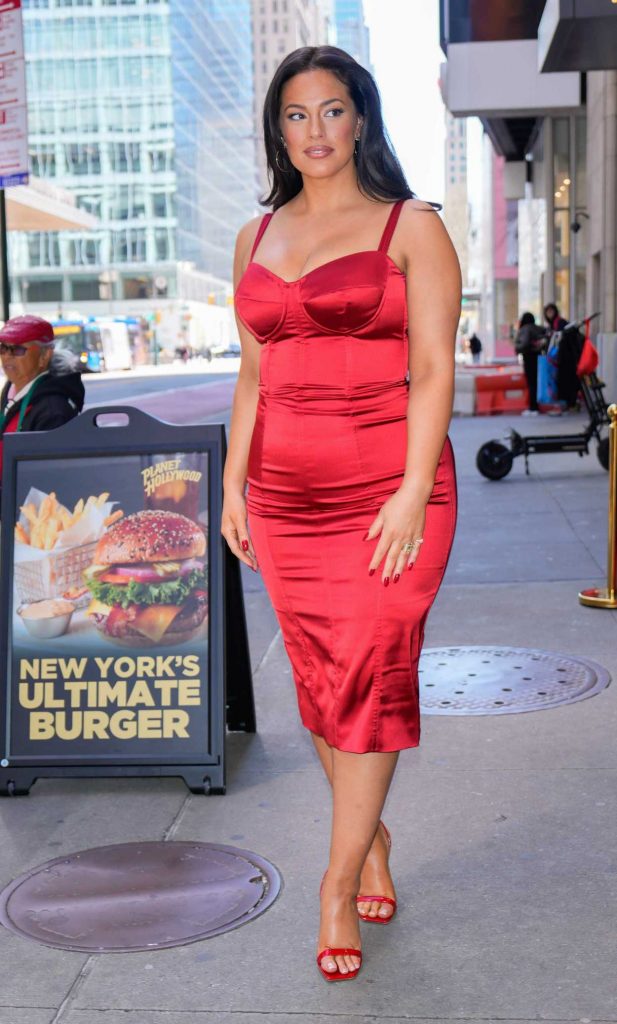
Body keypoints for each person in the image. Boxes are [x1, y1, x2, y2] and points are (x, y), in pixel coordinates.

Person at [223, 46, 459, 982]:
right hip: (284, 498)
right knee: (321, 680)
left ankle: (334, 882)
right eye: (295, 114)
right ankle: (372, 839)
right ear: (277, 132)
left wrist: (409, 491)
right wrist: (233, 486)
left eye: (330, 110)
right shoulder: (254, 235)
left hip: (387, 492)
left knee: (368, 673)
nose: (314, 129)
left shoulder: (412, 226)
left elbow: (433, 370)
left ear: (360, 119)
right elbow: (252, 375)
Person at [0, 315, 85, 502]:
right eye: (3, 348)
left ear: (44, 355)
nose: (7, 356)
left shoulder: (54, 411)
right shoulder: (10, 393)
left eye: (18, 349)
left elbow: (49, 482)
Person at [544, 302, 582, 411]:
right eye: (547, 312)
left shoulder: (560, 322)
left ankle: (571, 404)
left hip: (567, 358)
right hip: (560, 359)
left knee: (567, 381)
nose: (550, 314)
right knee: (562, 382)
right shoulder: (552, 325)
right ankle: (568, 404)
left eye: (551, 311)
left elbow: (563, 337)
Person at [514, 312, 545, 415]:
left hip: (528, 357)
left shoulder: (525, 329)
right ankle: (536, 405)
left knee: (531, 382)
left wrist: (517, 347)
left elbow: (524, 343)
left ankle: (533, 407)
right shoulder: (539, 328)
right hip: (538, 356)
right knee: (536, 382)